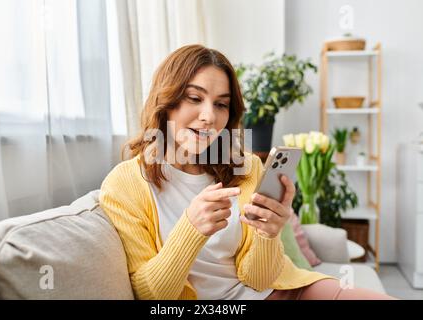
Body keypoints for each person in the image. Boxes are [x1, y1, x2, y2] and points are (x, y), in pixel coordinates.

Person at [99, 44, 394, 300]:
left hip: (285, 290)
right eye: (194, 98)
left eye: (221, 104)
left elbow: (259, 280)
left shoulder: (246, 167)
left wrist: (269, 234)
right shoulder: (124, 184)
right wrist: (191, 227)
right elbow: (151, 294)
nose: (209, 117)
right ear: (166, 101)